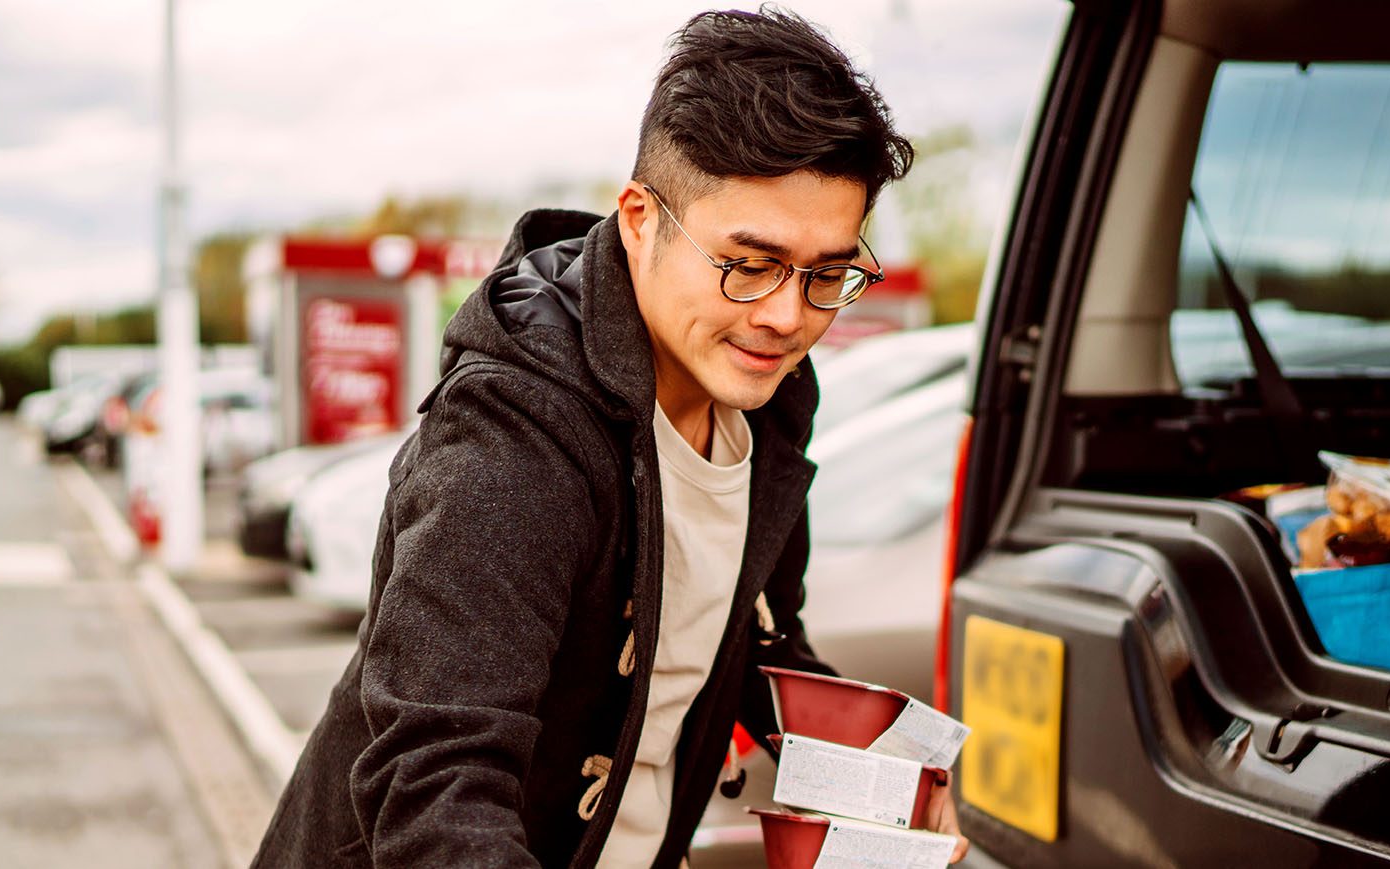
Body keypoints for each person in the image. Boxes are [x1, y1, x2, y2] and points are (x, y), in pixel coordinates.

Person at [253, 8, 966, 868]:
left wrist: (895, 788)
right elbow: (435, 787)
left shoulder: (770, 402)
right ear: (639, 219)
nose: (785, 316)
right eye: (748, 264)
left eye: (826, 274)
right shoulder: (512, 437)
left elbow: (753, 639)